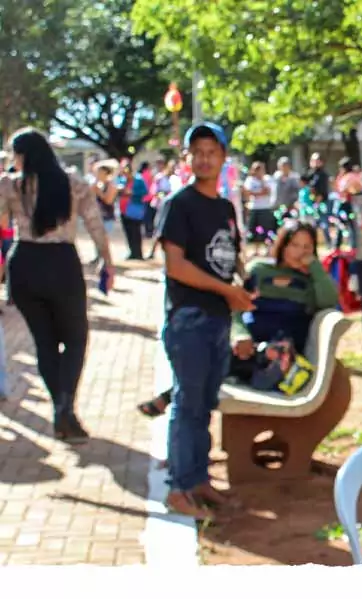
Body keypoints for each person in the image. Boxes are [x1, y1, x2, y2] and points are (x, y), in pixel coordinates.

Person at [137, 220, 338, 417]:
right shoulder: (260, 270)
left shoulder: (312, 282)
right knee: (214, 352)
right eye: (294, 245)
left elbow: (329, 300)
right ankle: (180, 397)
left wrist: (314, 268)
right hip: (247, 345)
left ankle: (168, 396)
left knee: (243, 358)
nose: (300, 252)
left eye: (307, 247)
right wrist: (240, 334)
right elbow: (236, 309)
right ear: (283, 245)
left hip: (283, 352)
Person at [158, 121, 255, 520]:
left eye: (211, 151)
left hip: (217, 319)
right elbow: (175, 266)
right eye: (196, 152)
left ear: (223, 158)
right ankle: (180, 488)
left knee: (203, 406)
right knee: (186, 403)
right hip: (190, 318)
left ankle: (198, 480)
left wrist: (244, 286)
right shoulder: (178, 205)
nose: (203, 158)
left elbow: (229, 260)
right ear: (187, 159)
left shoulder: (223, 207)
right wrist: (227, 291)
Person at [0, 128, 114, 440]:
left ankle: (60, 407)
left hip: (24, 263)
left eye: (15, 154)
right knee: (76, 339)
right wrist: (107, 260)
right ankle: (66, 406)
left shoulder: (10, 184)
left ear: (26, 155)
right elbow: (94, 224)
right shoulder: (74, 182)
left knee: (45, 342)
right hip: (62, 264)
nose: (13, 160)